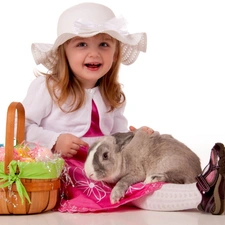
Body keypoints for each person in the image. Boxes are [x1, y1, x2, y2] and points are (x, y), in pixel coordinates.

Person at [22, 2, 225, 215]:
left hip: (106, 164)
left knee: (142, 184)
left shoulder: (112, 94)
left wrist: (135, 137)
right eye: (82, 44)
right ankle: (202, 193)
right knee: (131, 195)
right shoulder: (49, 88)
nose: (94, 53)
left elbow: (116, 140)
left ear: (116, 53)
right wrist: (54, 141)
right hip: (71, 170)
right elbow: (22, 128)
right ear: (64, 53)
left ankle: (204, 188)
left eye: (104, 45)